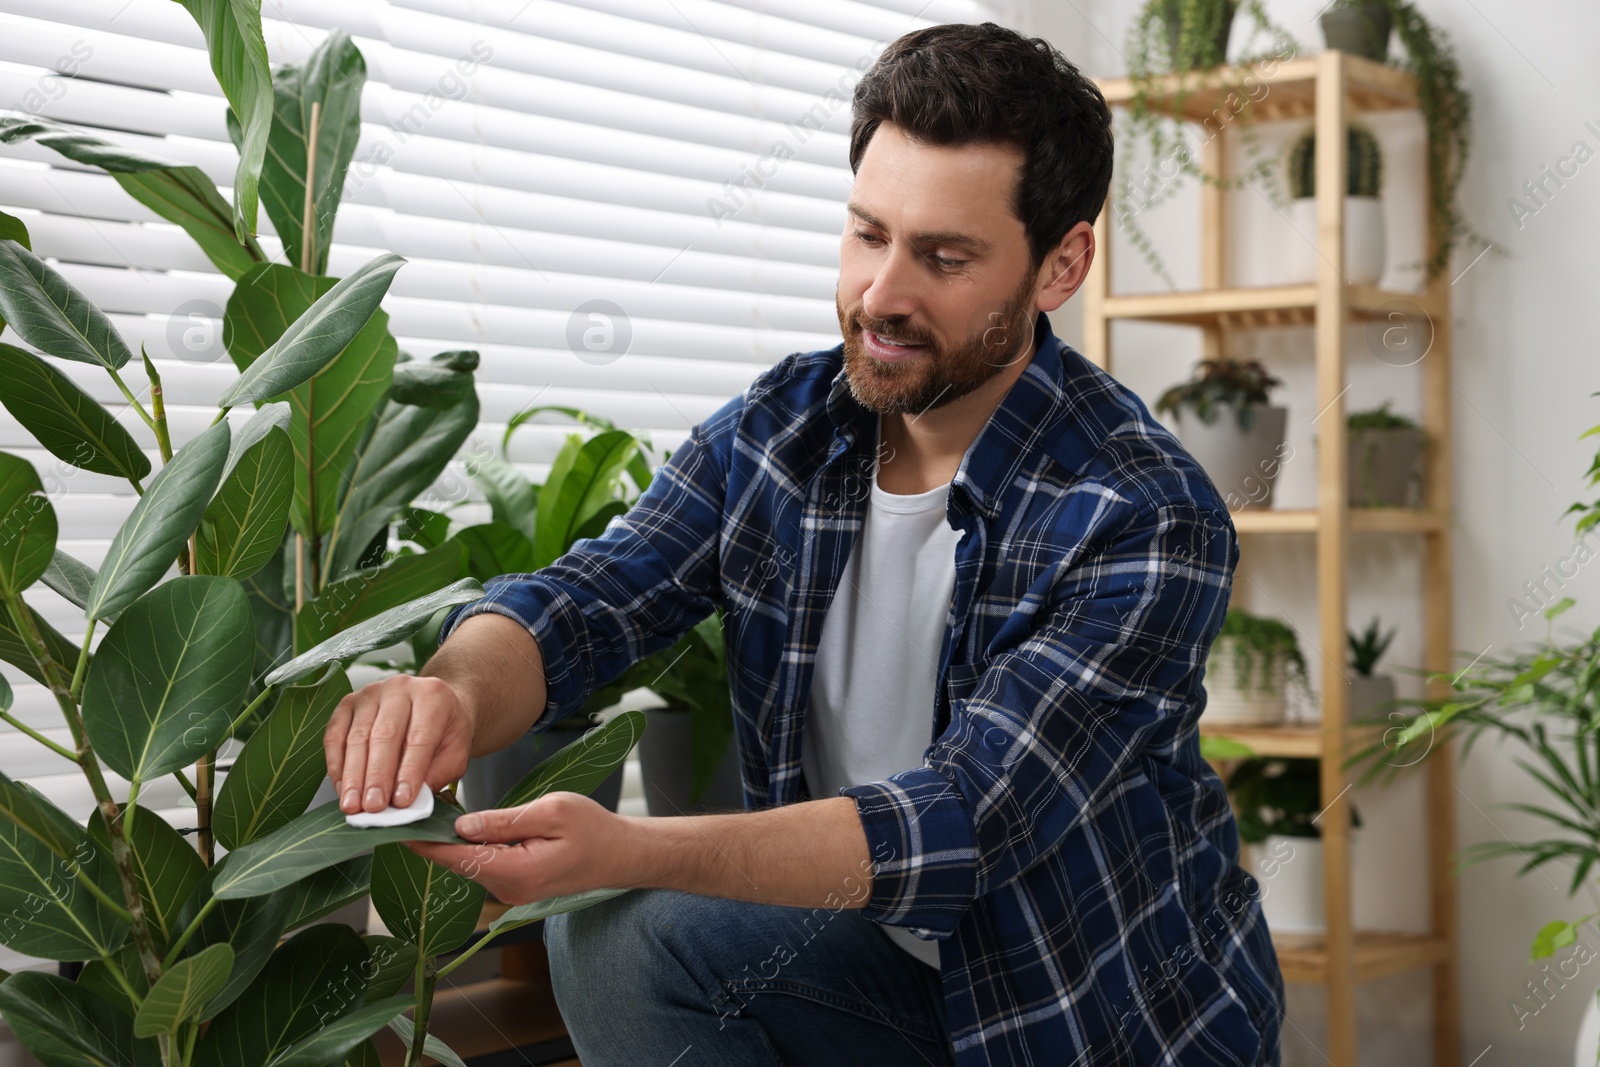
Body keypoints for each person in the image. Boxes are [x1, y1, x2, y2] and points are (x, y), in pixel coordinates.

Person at [322, 20, 1284, 1067]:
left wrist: (629, 844)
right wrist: (454, 692)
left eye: (944, 256)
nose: (881, 295)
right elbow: (589, 600)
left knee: (625, 895)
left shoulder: (1142, 514)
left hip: (1086, 1020)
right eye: (867, 233)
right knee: (617, 939)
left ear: (1061, 264)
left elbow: (961, 823)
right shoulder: (782, 429)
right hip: (871, 979)